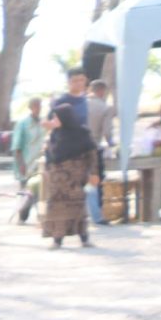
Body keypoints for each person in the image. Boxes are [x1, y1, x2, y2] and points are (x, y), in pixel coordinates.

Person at [40, 88, 99, 250]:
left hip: (74, 180)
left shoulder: (82, 133)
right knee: (56, 210)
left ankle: (84, 238)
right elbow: (50, 154)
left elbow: (92, 154)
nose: (54, 120)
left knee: (78, 208)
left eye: (56, 117)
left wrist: (94, 173)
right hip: (57, 182)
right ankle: (57, 240)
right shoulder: (55, 135)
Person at [11, 96, 47, 222]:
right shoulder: (22, 124)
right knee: (27, 192)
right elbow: (16, 147)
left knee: (39, 190)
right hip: (26, 162)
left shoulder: (43, 122)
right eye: (36, 106)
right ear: (31, 108)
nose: (38, 109)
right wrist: (21, 164)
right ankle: (22, 215)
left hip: (39, 163)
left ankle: (41, 216)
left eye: (40, 106)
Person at [85, 76, 115, 223]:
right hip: (93, 147)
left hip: (75, 148)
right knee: (94, 180)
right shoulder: (105, 107)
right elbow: (107, 131)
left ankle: (81, 213)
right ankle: (97, 215)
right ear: (102, 91)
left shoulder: (81, 103)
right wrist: (112, 144)